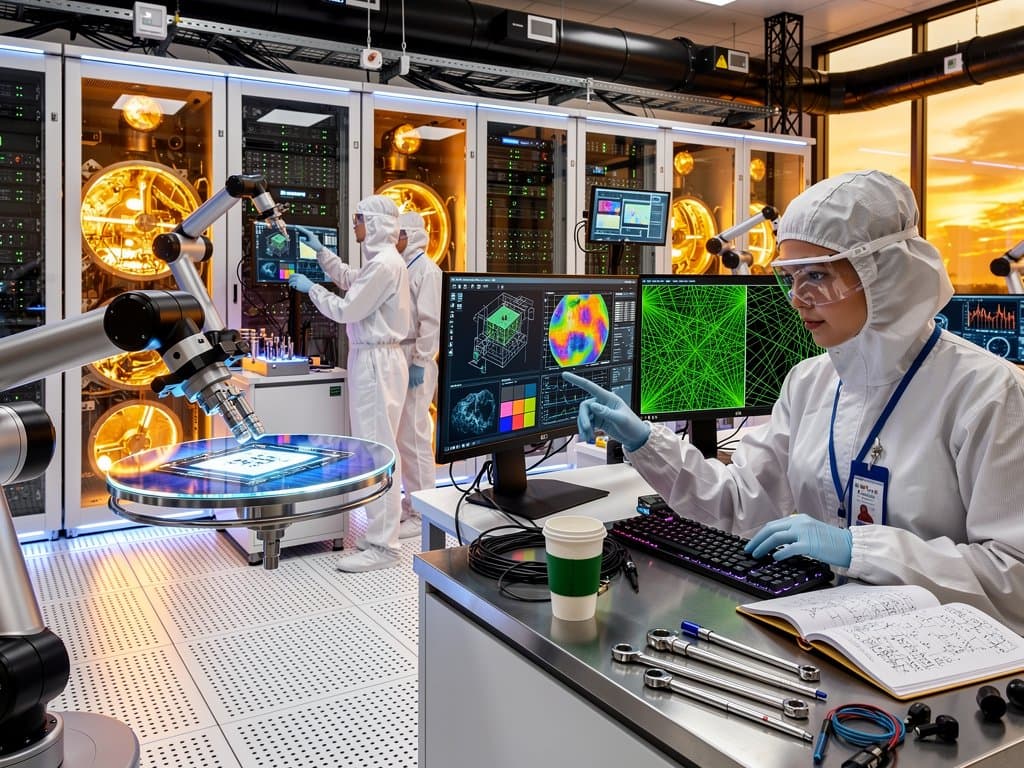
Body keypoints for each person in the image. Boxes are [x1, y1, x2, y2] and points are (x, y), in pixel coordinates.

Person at [565, 169, 1024, 633]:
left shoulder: (988, 393)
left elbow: (1015, 576)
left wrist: (859, 550)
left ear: (884, 274)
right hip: (825, 634)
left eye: (818, 276)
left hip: (942, 658)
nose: (797, 299)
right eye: (791, 278)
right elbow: (740, 508)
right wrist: (645, 441)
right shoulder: (809, 382)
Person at [289, 196, 410, 572]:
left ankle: (383, 547)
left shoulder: (385, 266)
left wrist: (311, 288)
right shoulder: (383, 263)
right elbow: (351, 280)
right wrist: (322, 253)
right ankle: (380, 537)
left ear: (373, 224)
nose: (354, 227)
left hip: (376, 363)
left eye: (357, 220)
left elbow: (346, 309)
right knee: (380, 448)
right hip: (377, 360)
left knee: (377, 453)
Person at [394, 211, 442, 538]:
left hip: (416, 359)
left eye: (397, 234)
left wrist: (421, 361)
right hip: (400, 355)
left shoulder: (427, 270)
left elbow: (431, 323)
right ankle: (410, 503)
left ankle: (425, 510)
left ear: (409, 235)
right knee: (402, 437)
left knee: (414, 437)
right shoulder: (403, 268)